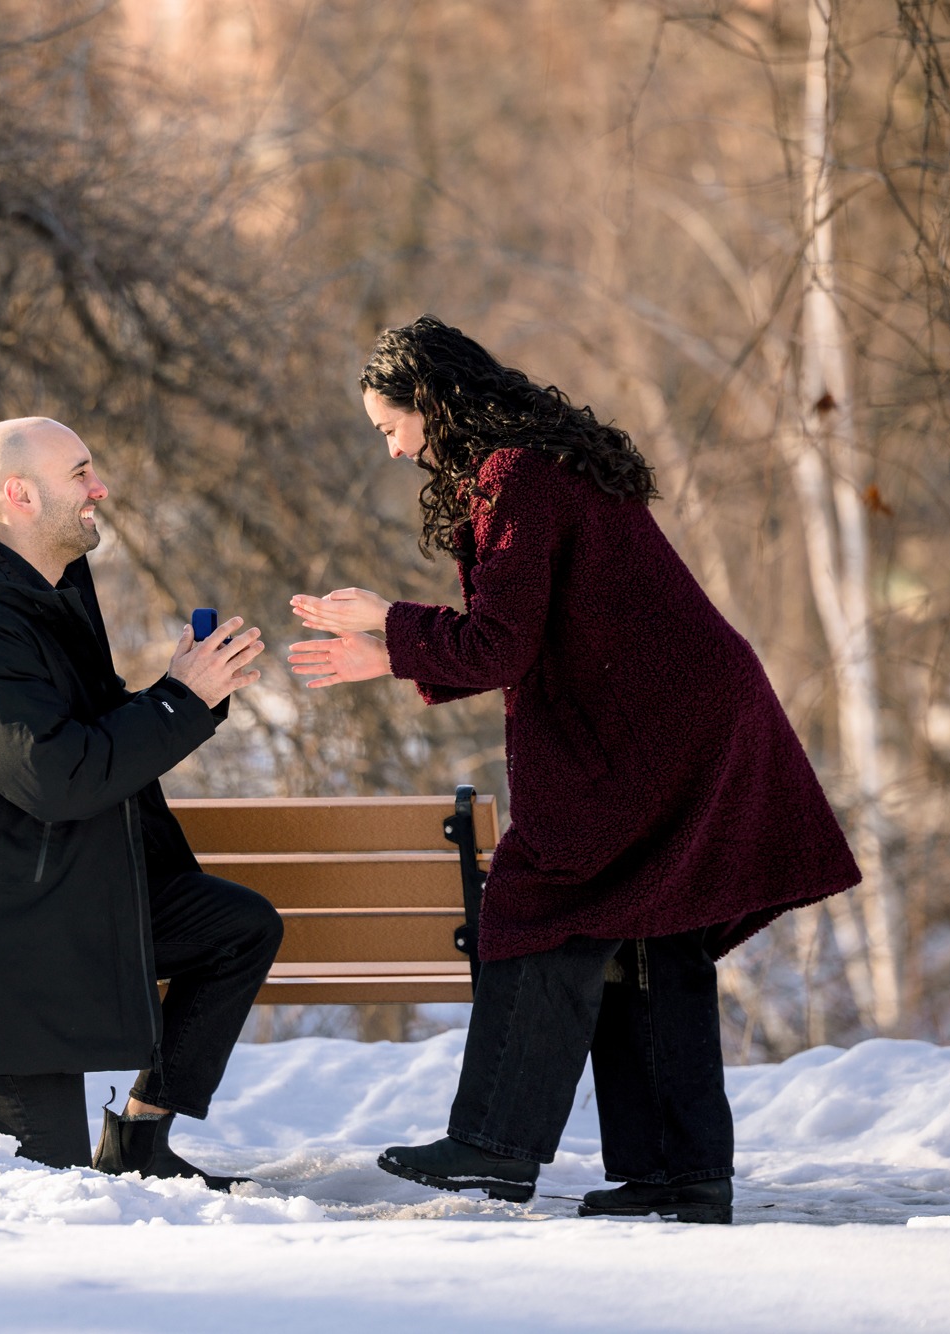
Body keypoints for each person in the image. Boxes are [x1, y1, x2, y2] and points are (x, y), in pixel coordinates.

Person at [288, 316, 860, 1225]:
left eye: (390, 427)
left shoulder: (515, 476)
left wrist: (390, 630)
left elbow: (501, 644)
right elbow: (521, 638)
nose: (394, 451)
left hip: (655, 727)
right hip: (683, 716)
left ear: (432, 405)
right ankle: (681, 1170)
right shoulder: (533, 463)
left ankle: (495, 1145)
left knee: (539, 896)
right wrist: (388, 647)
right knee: (651, 926)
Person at [0, 416, 283, 1188]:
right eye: (81, 473)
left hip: (66, 906)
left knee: (235, 929)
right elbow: (57, 778)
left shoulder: (42, 603)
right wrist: (177, 702)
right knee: (50, 1194)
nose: (100, 488)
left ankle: (139, 1140)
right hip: (4, 949)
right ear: (20, 494)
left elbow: (87, 739)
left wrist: (191, 693)